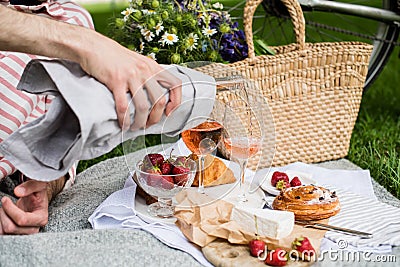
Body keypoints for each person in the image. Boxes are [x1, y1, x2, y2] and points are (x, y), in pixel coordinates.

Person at [0, 0, 182, 235]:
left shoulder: (74, 19)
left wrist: (44, 185)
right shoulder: (81, 39)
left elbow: (63, 143)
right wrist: (85, 42)